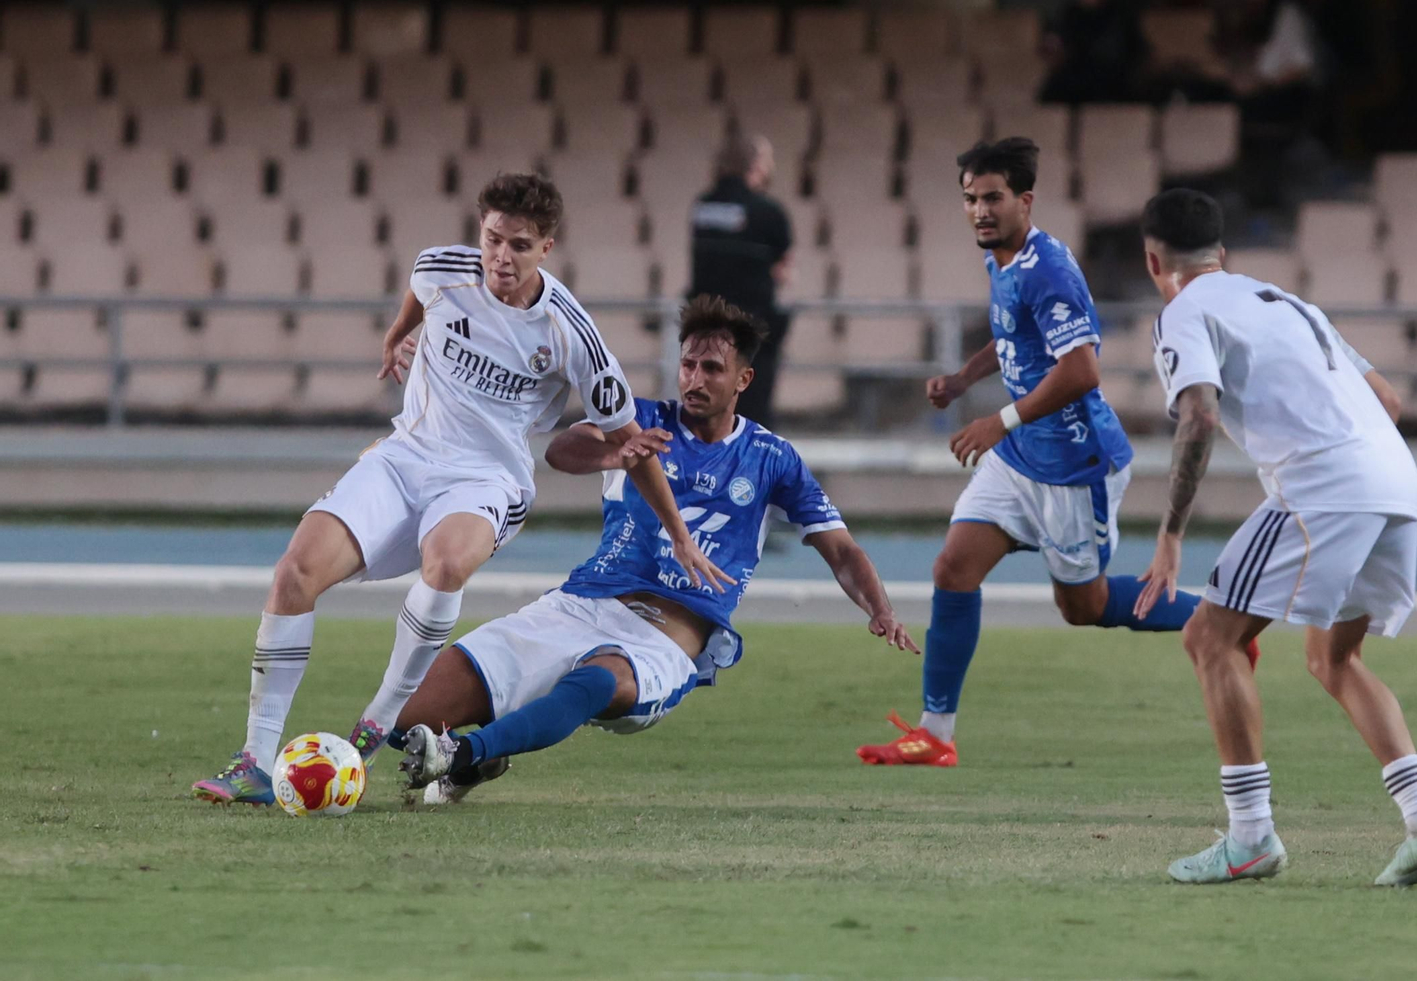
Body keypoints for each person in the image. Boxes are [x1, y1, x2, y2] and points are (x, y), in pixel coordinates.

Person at [191, 173, 727, 805]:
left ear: (546, 248)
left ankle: (376, 723)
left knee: (445, 563)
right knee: (293, 573)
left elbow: (632, 444)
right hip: (405, 457)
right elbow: (419, 294)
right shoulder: (441, 268)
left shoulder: (571, 334)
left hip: (486, 479)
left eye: (520, 245)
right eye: (493, 239)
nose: (502, 256)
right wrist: (397, 334)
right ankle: (254, 761)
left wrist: (679, 534)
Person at [389, 295, 916, 803]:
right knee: (403, 720)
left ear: (743, 379)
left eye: (712, 368)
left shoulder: (772, 458)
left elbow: (841, 549)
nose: (695, 379)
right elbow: (563, 450)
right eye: (688, 365)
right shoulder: (639, 419)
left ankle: (466, 753)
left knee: (601, 680)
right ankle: (473, 756)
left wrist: (880, 608)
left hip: (662, 638)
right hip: (581, 604)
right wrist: (617, 453)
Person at [856, 139, 1254, 769]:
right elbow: (1015, 336)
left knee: (1082, 608)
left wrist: (999, 419)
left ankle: (1216, 622)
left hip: (1075, 465)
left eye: (992, 197)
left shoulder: (1049, 270)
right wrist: (963, 379)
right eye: (970, 199)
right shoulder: (1002, 259)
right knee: (952, 569)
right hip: (1021, 456)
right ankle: (934, 734)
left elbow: (1082, 370)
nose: (980, 210)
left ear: (1025, 200)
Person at [1133, 187, 1417, 887]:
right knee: (1333, 658)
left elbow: (1198, 415)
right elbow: (1389, 399)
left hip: (1326, 486)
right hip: (1397, 479)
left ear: (1153, 260)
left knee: (1209, 638)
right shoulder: (1288, 302)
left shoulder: (1181, 312)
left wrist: (1170, 533)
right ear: (1222, 253)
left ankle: (1251, 836)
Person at [688, 134, 792, 429]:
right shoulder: (769, 213)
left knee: (705, 418)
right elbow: (783, 270)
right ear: (756, 165)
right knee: (749, 423)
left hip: (706, 329)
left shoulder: (702, 207)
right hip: (751, 332)